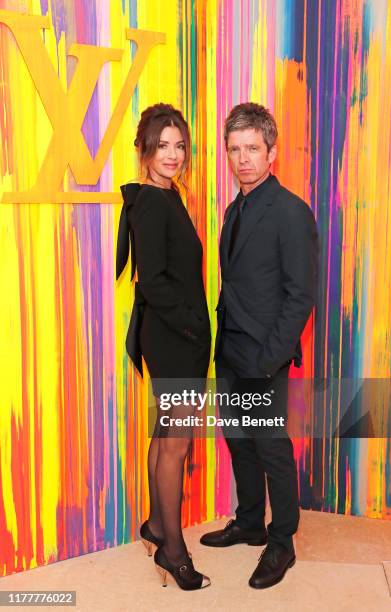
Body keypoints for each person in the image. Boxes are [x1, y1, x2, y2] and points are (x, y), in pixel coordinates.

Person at [200, 103, 318, 589]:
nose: (243, 158)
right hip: (230, 349)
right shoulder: (235, 207)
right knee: (240, 442)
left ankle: (281, 541)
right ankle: (249, 523)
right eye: (235, 149)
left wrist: (270, 357)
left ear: (271, 151)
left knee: (270, 447)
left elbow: (300, 295)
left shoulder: (290, 211)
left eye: (252, 148)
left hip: (263, 354)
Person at [116, 103, 211, 590]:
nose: (172, 154)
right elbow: (152, 280)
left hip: (171, 334)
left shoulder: (166, 195)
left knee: (165, 434)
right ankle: (173, 550)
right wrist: (195, 329)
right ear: (143, 150)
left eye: (179, 145)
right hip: (176, 338)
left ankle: (155, 525)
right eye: (162, 145)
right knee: (176, 443)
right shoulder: (153, 202)